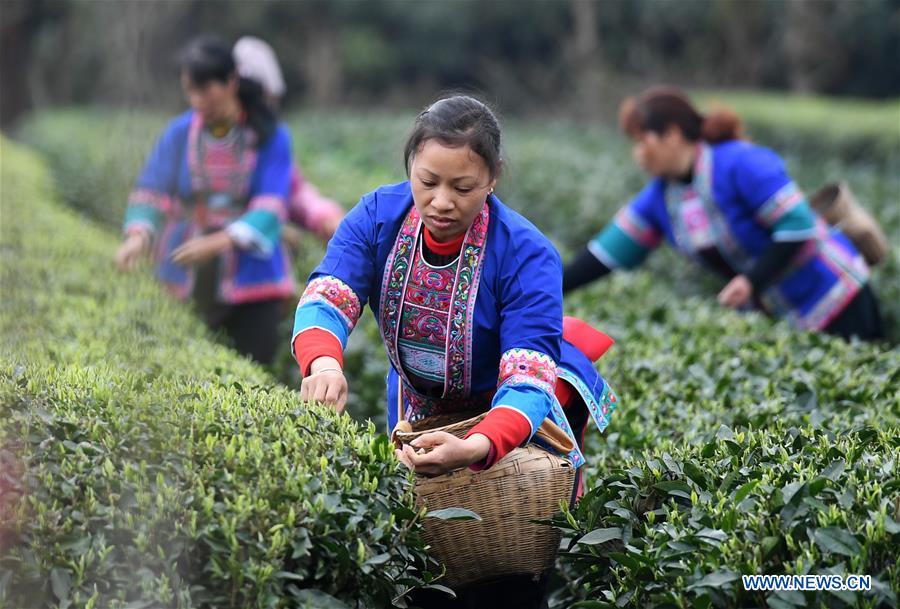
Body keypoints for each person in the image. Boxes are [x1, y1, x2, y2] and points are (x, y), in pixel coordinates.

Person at [291, 95, 617, 609]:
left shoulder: (526, 253)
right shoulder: (378, 216)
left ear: (493, 178)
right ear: (410, 169)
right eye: (428, 182)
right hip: (422, 405)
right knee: (428, 568)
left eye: (462, 187)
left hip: (515, 420)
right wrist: (324, 361)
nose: (442, 201)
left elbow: (529, 377)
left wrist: (478, 446)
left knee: (506, 572)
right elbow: (328, 295)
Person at [563, 86, 884, 341]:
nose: (638, 155)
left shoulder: (740, 162)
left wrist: (751, 281)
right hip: (787, 311)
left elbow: (798, 225)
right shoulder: (661, 197)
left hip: (837, 294)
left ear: (672, 134)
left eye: (642, 141)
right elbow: (606, 254)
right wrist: (547, 288)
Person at [114, 35, 295, 364]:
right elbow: (152, 187)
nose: (197, 100)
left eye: (205, 89)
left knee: (253, 370)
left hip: (253, 278)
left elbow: (272, 204)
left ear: (231, 81)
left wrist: (218, 242)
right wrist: (138, 236)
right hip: (183, 271)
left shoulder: (270, 135)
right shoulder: (179, 132)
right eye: (190, 91)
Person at [233, 35, 344, 245]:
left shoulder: (272, 139)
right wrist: (271, 229)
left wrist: (325, 216)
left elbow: (294, 190)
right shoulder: (210, 137)